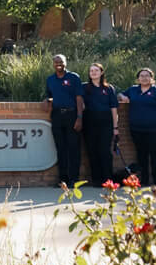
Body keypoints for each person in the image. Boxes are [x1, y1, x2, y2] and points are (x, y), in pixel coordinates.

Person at [118, 68, 156, 187]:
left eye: (147, 76)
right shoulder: (133, 90)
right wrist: (122, 97)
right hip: (136, 129)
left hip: (154, 129)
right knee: (141, 155)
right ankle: (144, 180)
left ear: (152, 78)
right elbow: (119, 94)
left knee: (155, 155)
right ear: (138, 78)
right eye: (142, 76)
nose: (144, 78)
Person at [42, 54, 84, 187]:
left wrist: (79, 118)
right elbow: (49, 94)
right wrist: (47, 99)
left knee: (73, 148)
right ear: (53, 64)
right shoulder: (50, 79)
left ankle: (74, 180)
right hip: (57, 116)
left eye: (61, 62)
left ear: (66, 63)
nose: (58, 64)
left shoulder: (74, 77)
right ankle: (63, 180)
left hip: (72, 115)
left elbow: (79, 98)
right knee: (60, 148)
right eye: (56, 62)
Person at [82, 63, 118, 187]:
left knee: (105, 152)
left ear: (101, 72)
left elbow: (114, 108)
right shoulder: (84, 87)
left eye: (96, 70)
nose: (93, 72)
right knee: (92, 152)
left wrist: (115, 127)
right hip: (89, 124)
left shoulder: (109, 88)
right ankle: (96, 180)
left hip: (106, 124)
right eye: (91, 70)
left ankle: (108, 180)